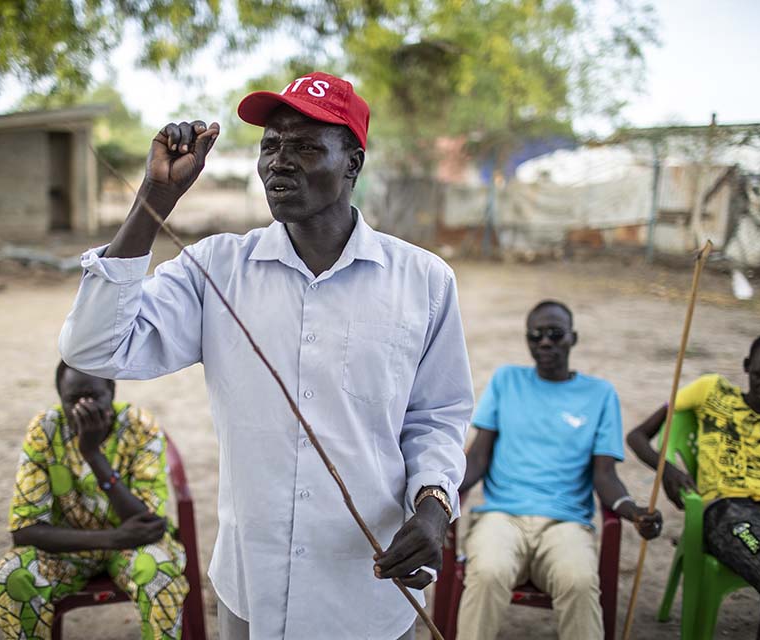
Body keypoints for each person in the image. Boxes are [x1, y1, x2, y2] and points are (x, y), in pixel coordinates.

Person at [58, 71, 474, 639]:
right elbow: (97, 346)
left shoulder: (423, 280)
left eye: (305, 145)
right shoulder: (216, 269)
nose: (280, 161)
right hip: (255, 585)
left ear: (352, 162)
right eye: (271, 145)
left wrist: (432, 507)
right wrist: (155, 200)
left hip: (369, 588)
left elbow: (436, 417)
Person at [456, 300, 662, 640]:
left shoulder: (600, 395)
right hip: (502, 517)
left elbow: (605, 475)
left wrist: (633, 511)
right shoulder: (506, 381)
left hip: (565, 523)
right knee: (488, 572)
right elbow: (477, 458)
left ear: (573, 338)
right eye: (536, 336)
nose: (545, 343)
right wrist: (437, 492)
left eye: (555, 334)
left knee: (580, 582)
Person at [0, 361, 188, 639]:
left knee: (158, 571)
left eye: (94, 397)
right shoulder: (45, 431)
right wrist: (113, 538)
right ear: (60, 398)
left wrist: (93, 455)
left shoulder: (139, 426)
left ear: (112, 391)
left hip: (133, 550)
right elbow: (24, 531)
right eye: (73, 400)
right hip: (67, 551)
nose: (84, 409)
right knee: (12, 577)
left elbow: (147, 523)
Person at [628, 333, 760, 639]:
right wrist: (669, 471)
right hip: (730, 511)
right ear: (747, 365)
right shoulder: (712, 391)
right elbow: (637, 436)